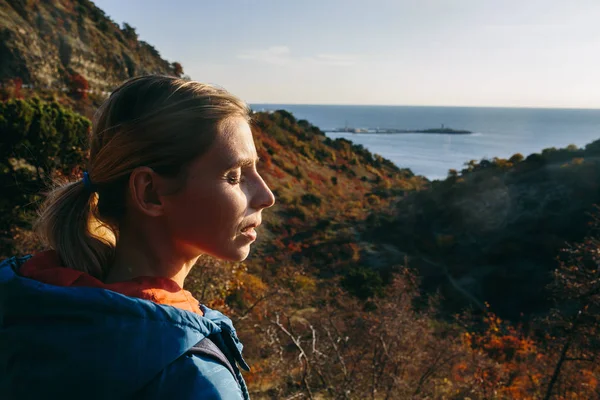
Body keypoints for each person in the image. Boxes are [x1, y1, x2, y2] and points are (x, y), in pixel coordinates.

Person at [0, 75, 275, 399]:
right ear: (150, 192)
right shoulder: (194, 379)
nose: (266, 195)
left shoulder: (24, 305)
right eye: (235, 176)